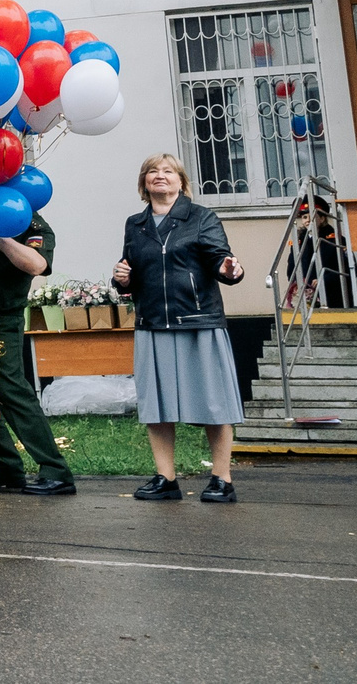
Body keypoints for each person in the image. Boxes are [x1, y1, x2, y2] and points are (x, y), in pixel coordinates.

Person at [115, 153, 247, 504]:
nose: (160, 176)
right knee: (157, 407)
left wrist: (229, 269)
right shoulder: (135, 224)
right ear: (144, 183)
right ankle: (166, 478)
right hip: (152, 323)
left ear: (180, 181)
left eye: (168, 171)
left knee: (214, 404)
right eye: (152, 172)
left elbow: (220, 259)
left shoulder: (201, 217)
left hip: (198, 322)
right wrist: (122, 279)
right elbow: (133, 271)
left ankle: (222, 479)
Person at [0, 204, 74, 496]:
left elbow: (36, 265)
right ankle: (4, 470)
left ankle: (56, 471)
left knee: (10, 389)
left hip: (1, 317)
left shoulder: (25, 220)